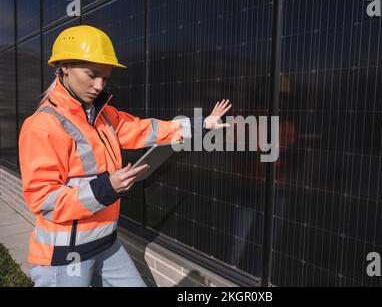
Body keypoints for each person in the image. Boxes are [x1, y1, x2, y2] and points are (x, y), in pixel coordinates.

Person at [18, 25, 232, 287]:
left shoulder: (103, 115)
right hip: (67, 256)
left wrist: (200, 125)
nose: (99, 85)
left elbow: (148, 130)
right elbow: (44, 200)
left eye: (105, 78)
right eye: (92, 74)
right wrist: (107, 188)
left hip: (106, 243)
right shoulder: (42, 126)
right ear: (65, 66)